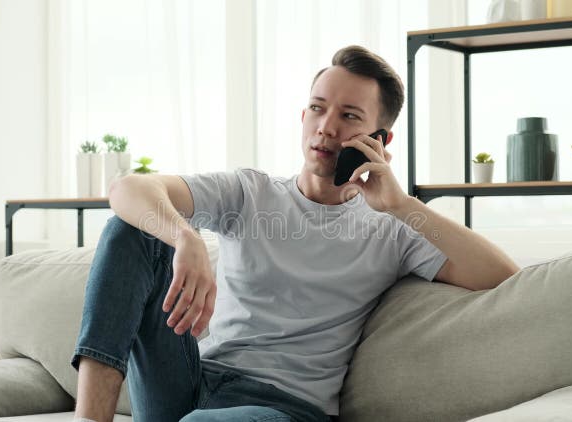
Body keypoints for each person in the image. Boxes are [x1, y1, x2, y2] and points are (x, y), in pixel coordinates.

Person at [72, 45, 519, 422]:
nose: (326, 127)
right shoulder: (249, 192)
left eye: (348, 116)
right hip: (192, 378)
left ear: (381, 141)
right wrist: (184, 238)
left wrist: (401, 204)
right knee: (131, 231)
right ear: (303, 115)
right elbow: (128, 190)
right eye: (319, 110)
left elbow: (505, 278)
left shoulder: (393, 228)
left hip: (280, 408)